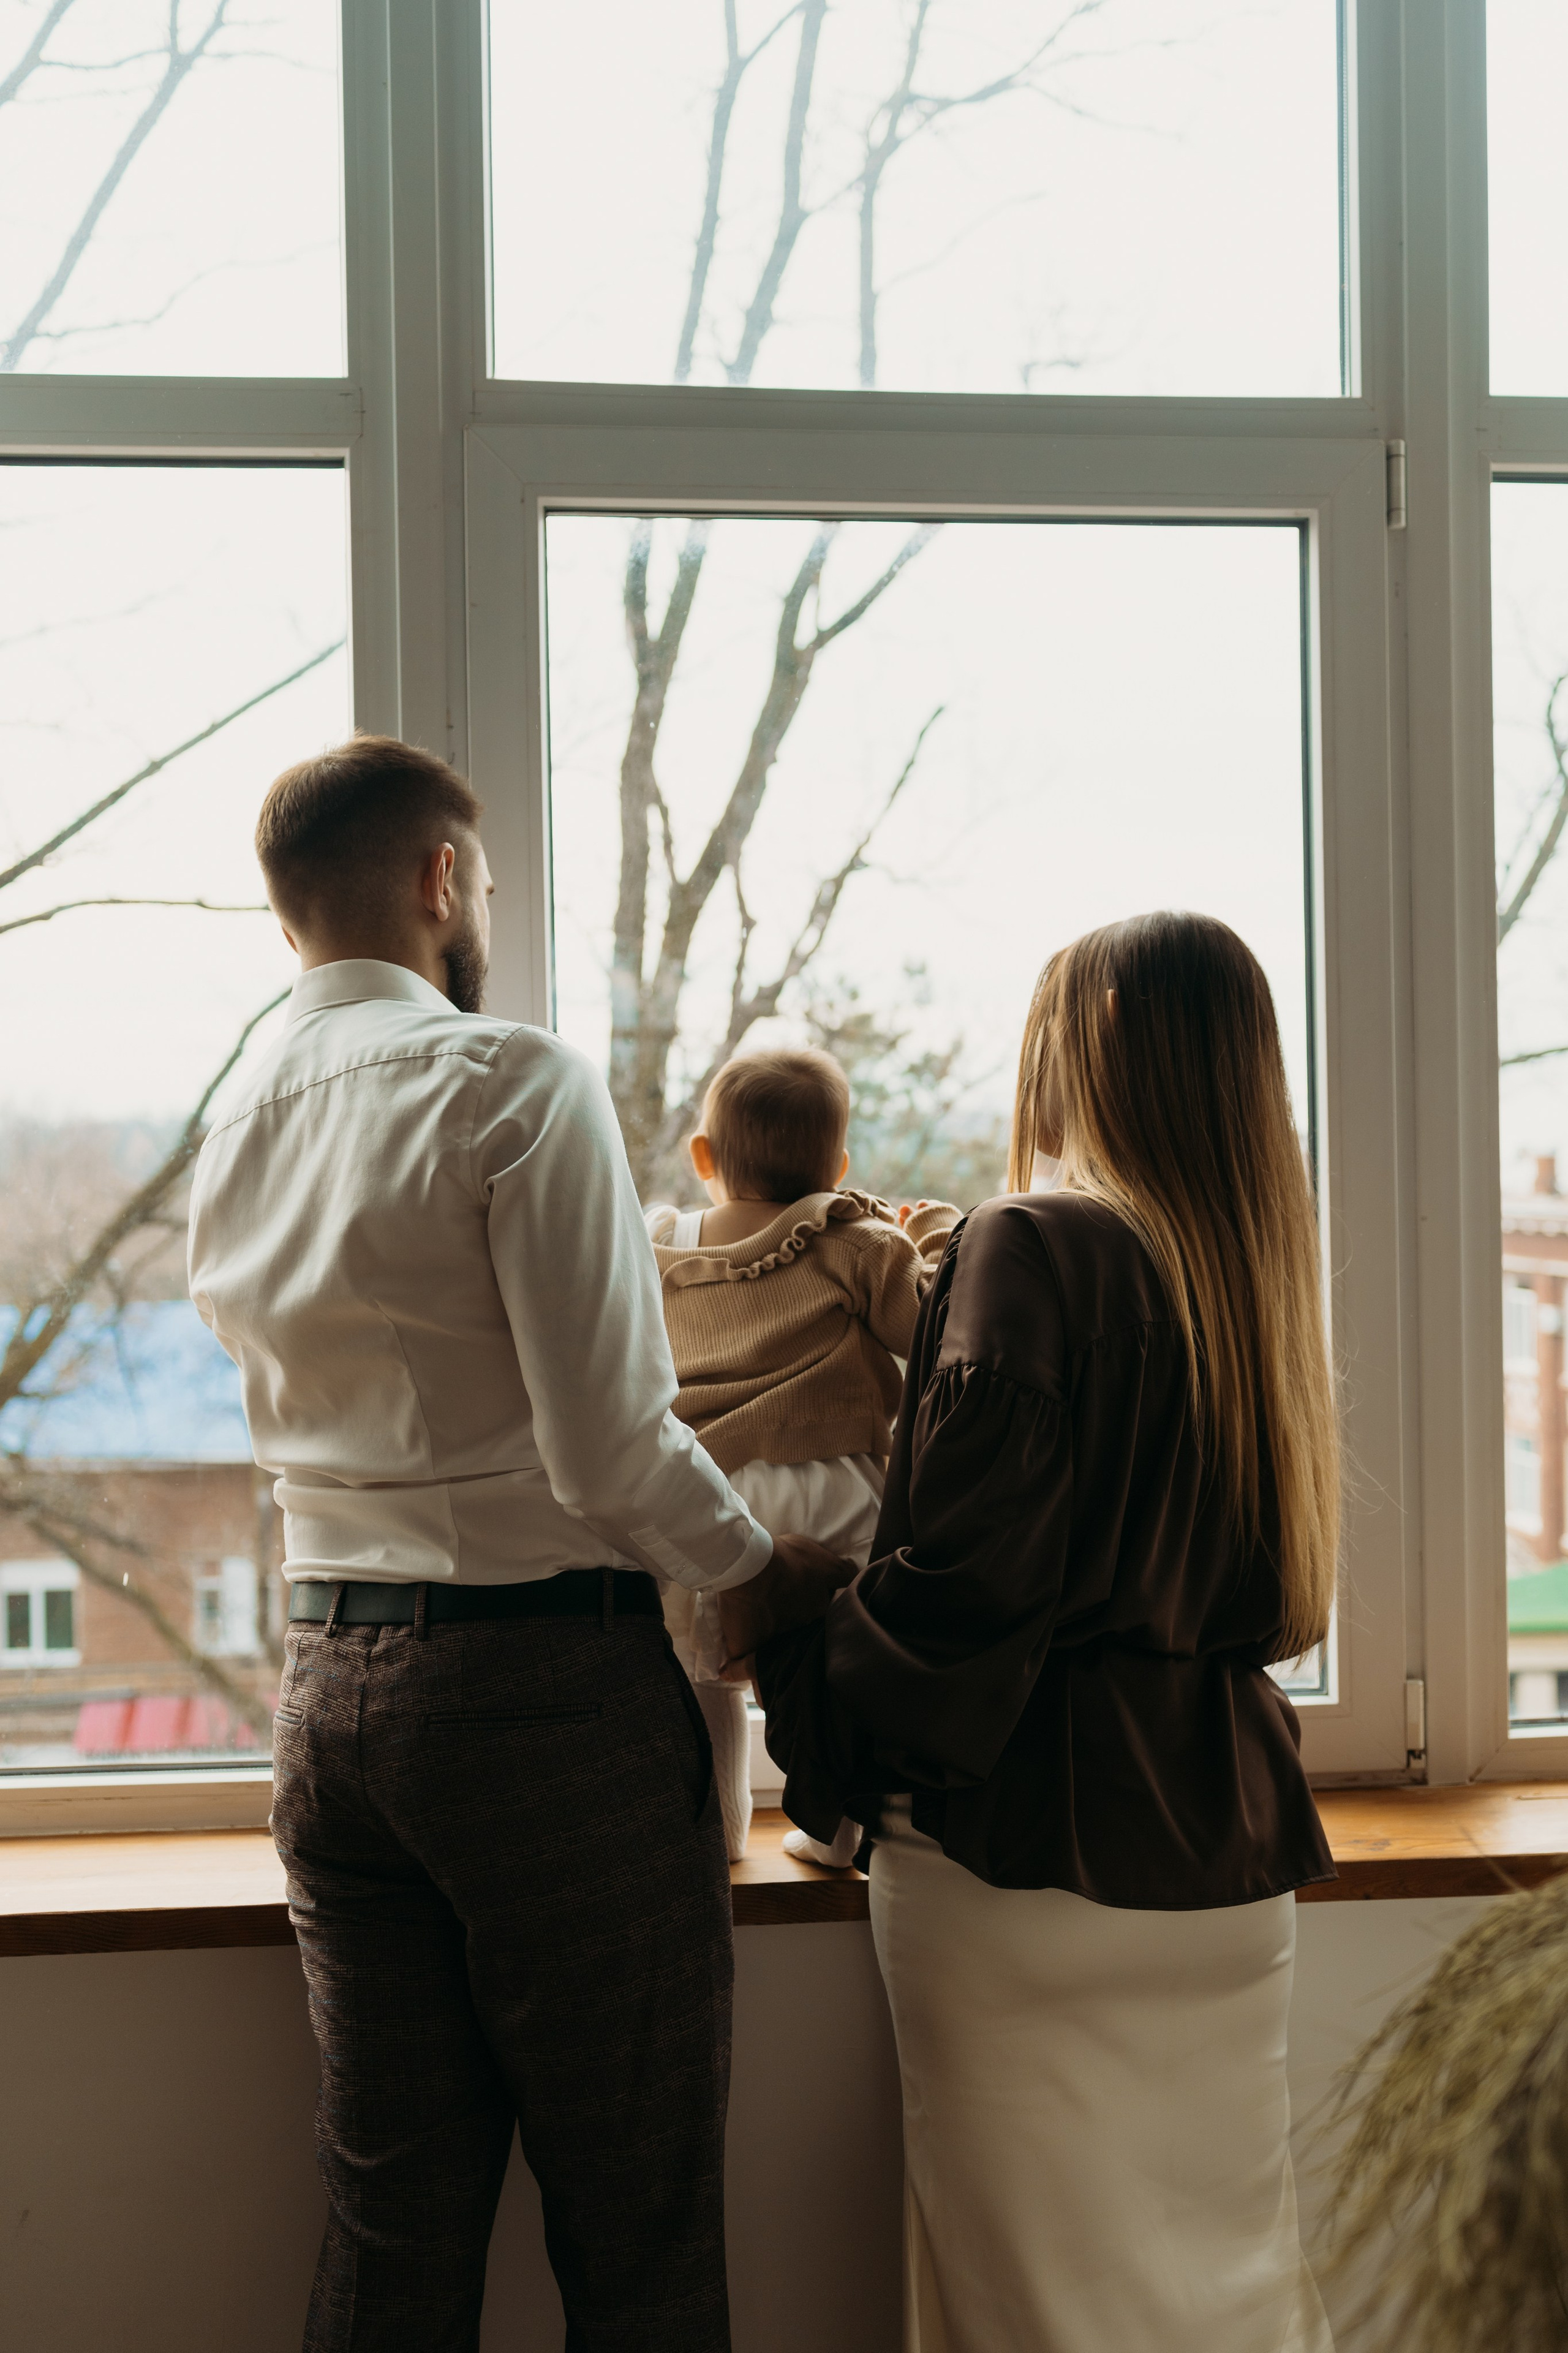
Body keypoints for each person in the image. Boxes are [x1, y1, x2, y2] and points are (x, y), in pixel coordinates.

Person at [186, 733, 848, 2353]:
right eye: (476, 879)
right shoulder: (509, 1082)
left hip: (327, 1704)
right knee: (637, 2232)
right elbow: (610, 1447)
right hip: (541, 1703)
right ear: (439, 879)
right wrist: (761, 1570)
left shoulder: (235, 1120)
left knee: (391, 2227)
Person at [726, 912, 1341, 2353]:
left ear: (1097, 1031)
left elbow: (959, 1595)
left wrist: (794, 1625)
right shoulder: (1250, 1278)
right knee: (1231, 2304)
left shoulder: (1031, 1240)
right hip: (1227, 1877)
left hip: (1023, 1871)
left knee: (1031, 2317)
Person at [644, 1046, 956, 1864]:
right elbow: (931, 1331)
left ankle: (720, 1829)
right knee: (836, 1671)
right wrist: (930, 1236)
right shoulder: (856, 1239)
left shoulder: (658, 1241)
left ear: (703, 1156)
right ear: (838, 1166)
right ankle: (835, 1830)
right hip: (832, 1486)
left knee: (704, 1672)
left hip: (706, 1493)